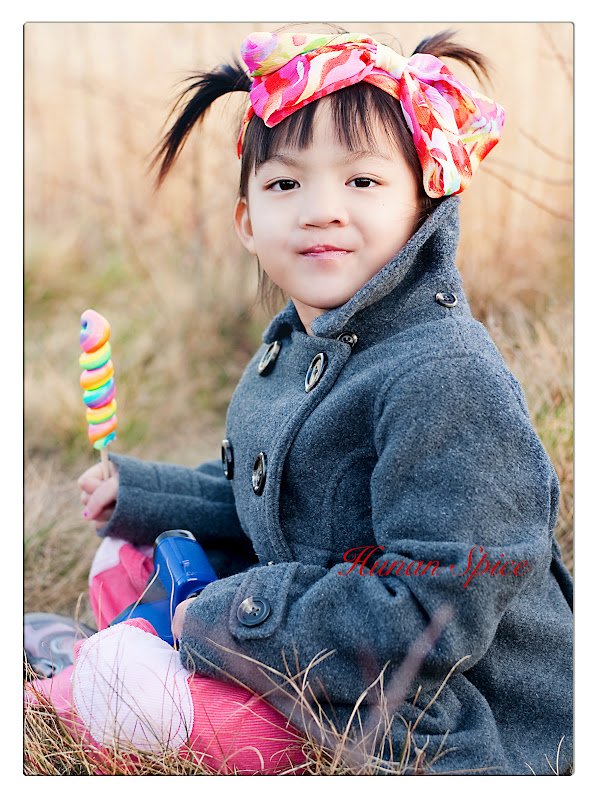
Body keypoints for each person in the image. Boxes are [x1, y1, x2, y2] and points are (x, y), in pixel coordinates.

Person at [26, 28, 573, 776]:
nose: (321, 210)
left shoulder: (447, 380)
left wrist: (231, 613)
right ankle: (126, 659)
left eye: (363, 181)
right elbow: (270, 504)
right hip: (317, 636)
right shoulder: (297, 345)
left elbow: (434, 617)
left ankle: (84, 691)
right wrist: (143, 495)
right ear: (248, 223)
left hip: (429, 704)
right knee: (128, 553)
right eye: (286, 185)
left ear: (424, 203)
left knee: (143, 707)